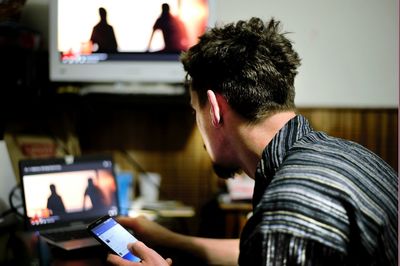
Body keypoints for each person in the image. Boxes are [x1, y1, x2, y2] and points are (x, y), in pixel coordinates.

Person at [107, 17, 398, 266]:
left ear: (214, 109)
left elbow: (282, 231)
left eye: (196, 111)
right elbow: (265, 249)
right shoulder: (345, 154)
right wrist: (168, 239)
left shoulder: (290, 207)